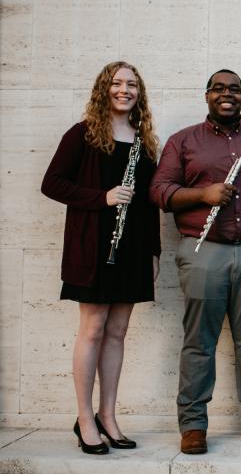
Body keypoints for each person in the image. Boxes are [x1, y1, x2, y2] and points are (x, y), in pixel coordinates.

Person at [149, 69, 241, 455]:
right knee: (199, 343)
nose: (226, 94)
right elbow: (160, 191)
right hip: (203, 250)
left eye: (234, 89)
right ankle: (194, 425)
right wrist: (203, 194)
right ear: (207, 96)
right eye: (219, 89)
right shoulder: (183, 141)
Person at [41, 61, 161, 455]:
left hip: (133, 249)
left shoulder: (143, 141)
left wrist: (154, 252)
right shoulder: (83, 134)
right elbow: (52, 183)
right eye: (117, 83)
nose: (124, 90)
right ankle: (85, 418)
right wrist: (101, 197)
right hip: (93, 246)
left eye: (131, 84)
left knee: (118, 332)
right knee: (92, 329)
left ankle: (109, 416)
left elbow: (149, 203)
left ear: (138, 93)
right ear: (104, 89)